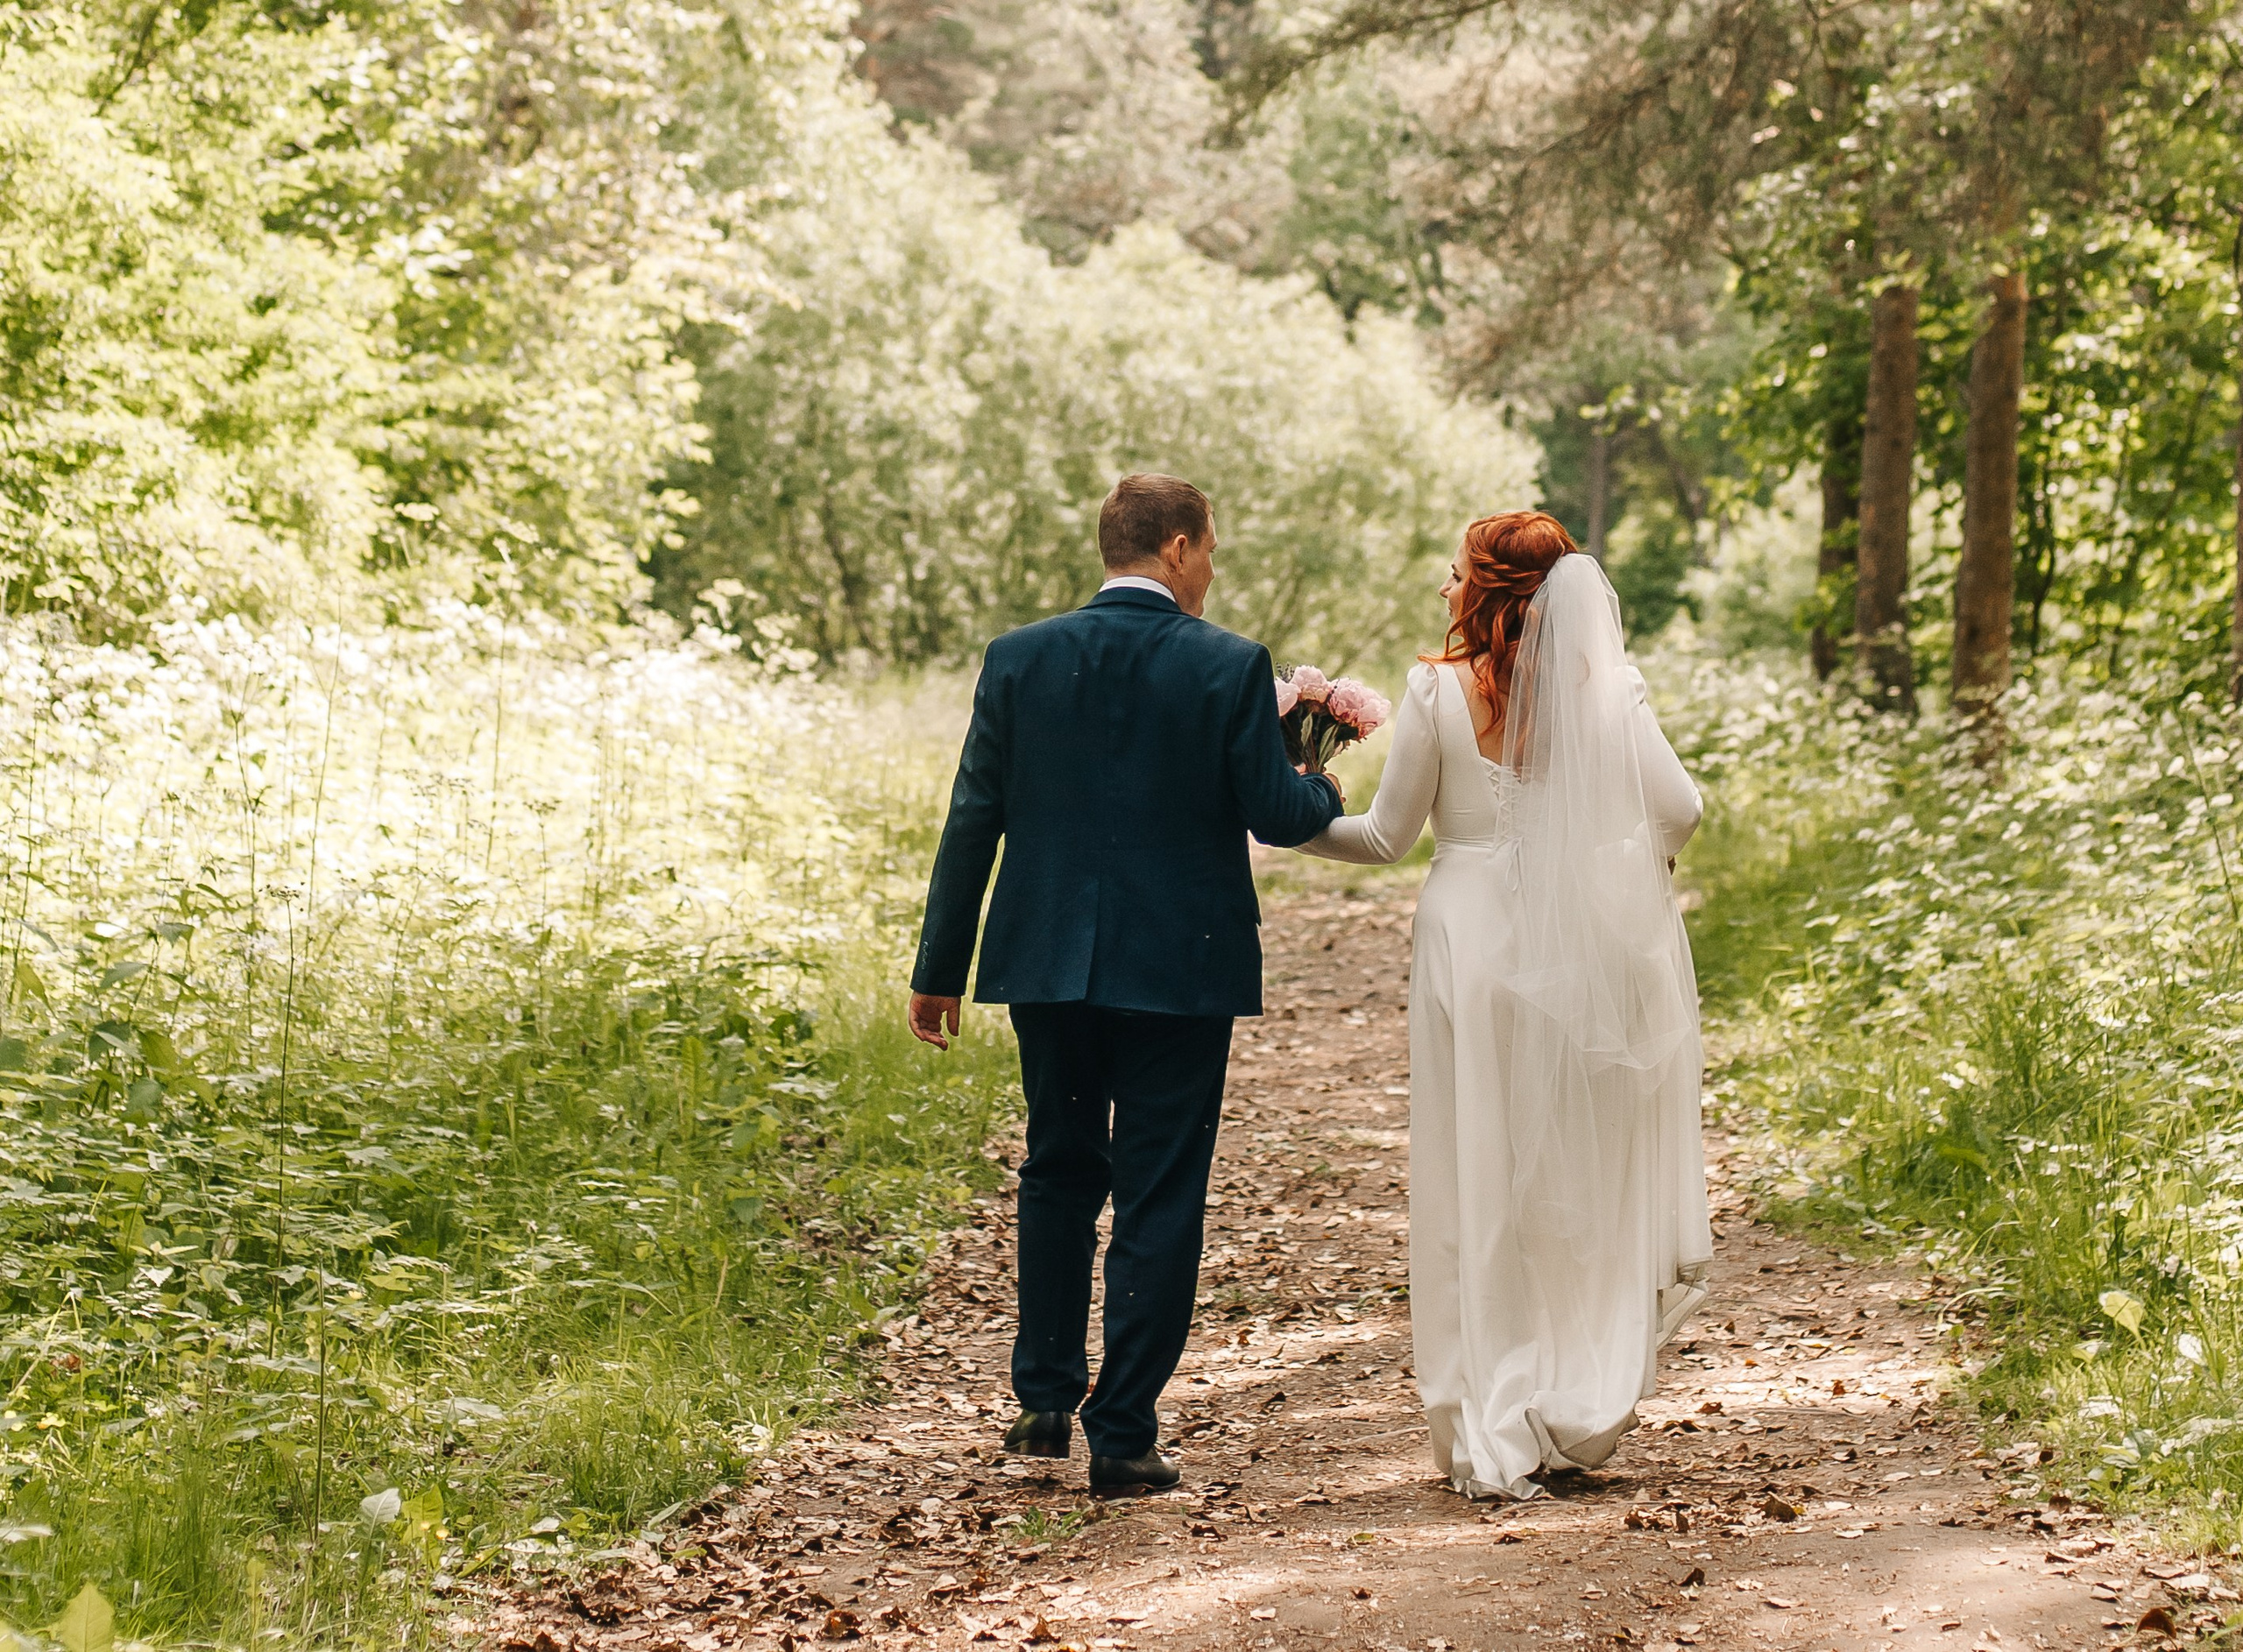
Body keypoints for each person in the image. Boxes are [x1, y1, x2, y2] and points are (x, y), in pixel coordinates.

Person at [907, 472, 1342, 1493]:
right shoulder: (1228, 663)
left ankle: (1041, 1407)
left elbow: (975, 816)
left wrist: (941, 968)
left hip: (1047, 966)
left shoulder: (1018, 657)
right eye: (1210, 550)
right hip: (1178, 970)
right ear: (1181, 546)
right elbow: (1276, 815)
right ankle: (1124, 1432)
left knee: (1057, 1171)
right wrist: (1315, 774)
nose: (1209, 568)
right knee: (1159, 1186)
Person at [1298, 511, 1710, 1500]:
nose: (1444, 589)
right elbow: (1682, 810)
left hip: (1468, 942)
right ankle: (1575, 1401)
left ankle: (1490, 1411)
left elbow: (1388, 838)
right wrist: (1617, 874)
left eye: (1454, 574)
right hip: (1578, 949)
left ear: (1484, 589)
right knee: (1569, 1168)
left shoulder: (1436, 689)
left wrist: (1292, 806)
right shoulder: (1608, 689)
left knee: (1476, 1176)